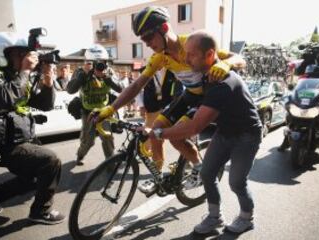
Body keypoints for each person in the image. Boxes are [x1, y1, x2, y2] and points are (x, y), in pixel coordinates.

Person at [90, 6, 246, 194]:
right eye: (142, 40)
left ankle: (198, 167)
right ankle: (158, 176)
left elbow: (239, 57)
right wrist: (110, 108)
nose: (146, 44)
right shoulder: (159, 58)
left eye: (148, 37)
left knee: (174, 136)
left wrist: (227, 63)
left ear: (164, 28)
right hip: (188, 95)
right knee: (156, 128)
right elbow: (136, 85)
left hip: (204, 99)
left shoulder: (191, 44)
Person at [146, 31, 262, 234]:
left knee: (236, 182)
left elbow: (194, 128)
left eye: (191, 55)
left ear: (209, 55)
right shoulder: (206, 76)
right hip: (225, 132)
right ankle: (214, 217)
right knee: (207, 174)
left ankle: (246, 217)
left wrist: (158, 133)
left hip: (247, 136)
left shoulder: (223, 83)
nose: (186, 59)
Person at [0, 31, 65, 224]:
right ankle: (41, 211)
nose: (27, 59)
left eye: (27, 54)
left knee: (34, 178)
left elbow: (45, 105)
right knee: (50, 161)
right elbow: (5, 98)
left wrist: (48, 83)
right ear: (3, 54)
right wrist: (25, 71)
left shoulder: (17, 77)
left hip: (16, 138)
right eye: (20, 54)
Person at [278, 40, 319, 161]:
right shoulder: (311, 59)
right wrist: (305, 60)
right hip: (306, 90)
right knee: (292, 110)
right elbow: (299, 72)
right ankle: (286, 140)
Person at [67, 55, 122, 166]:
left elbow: (120, 88)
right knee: (88, 141)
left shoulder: (109, 72)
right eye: (97, 64)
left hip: (104, 111)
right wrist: (82, 77)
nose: (100, 67)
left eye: (103, 63)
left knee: (107, 137)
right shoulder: (81, 72)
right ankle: (80, 155)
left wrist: (108, 79)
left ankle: (110, 161)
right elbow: (70, 90)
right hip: (88, 112)